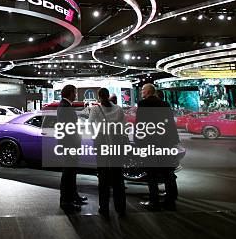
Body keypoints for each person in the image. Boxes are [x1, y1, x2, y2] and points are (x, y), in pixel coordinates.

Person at [135, 83, 180, 211]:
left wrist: (138, 142)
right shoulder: (165, 105)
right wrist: (174, 141)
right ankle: (171, 202)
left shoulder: (143, 104)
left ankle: (154, 202)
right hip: (166, 143)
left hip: (149, 143)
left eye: (143, 90)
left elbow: (141, 125)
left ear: (148, 92)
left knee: (152, 174)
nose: (141, 92)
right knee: (168, 173)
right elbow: (170, 125)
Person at [88, 88, 127, 217]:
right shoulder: (118, 109)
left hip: (102, 143)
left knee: (103, 176)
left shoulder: (95, 109)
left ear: (99, 96)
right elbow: (123, 126)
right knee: (118, 177)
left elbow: (90, 125)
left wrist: (96, 137)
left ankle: (104, 208)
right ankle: (120, 207)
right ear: (108, 96)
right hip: (116, 143)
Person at [57, 84, 86, 212]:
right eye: (74, 92)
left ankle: (74, 196)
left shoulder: (65, 105)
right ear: (69, 93)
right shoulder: (64, 106)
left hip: (70, 144)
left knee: (71, 172)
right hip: (69, 145)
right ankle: (65, 201)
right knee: (68, 174)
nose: (76, 95)